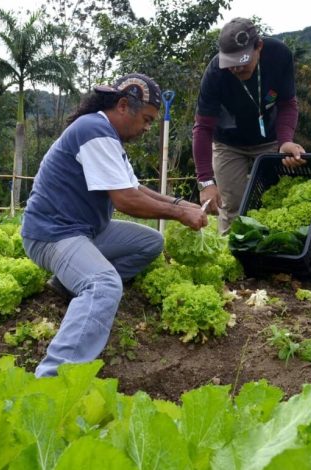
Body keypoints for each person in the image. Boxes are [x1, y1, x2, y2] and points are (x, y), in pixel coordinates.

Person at [21, 73, 208, 377]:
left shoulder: (108, 137)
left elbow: (136, 189)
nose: (148, 128)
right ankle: (53, 381)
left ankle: (67, 283)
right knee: (104, 284)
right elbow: (125, 200)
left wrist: (180, 204)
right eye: (146, 120)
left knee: (151, 243)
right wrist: (179, 215)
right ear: (123, 106)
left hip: (85, 231)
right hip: (53, 235)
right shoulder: (93, 130)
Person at [193, 17, 306, 233]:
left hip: (269, 141)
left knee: (272, 204)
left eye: (242, 60)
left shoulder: (279, 56)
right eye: (231, 62)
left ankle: (270, 262)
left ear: (259, 47)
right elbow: (203, 128)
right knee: (232, 206)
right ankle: (231, 258)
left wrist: (285, 142)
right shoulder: (216, 73)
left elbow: (287, 104)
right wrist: (206, 182)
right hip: (228, 144)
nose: (236, 68)